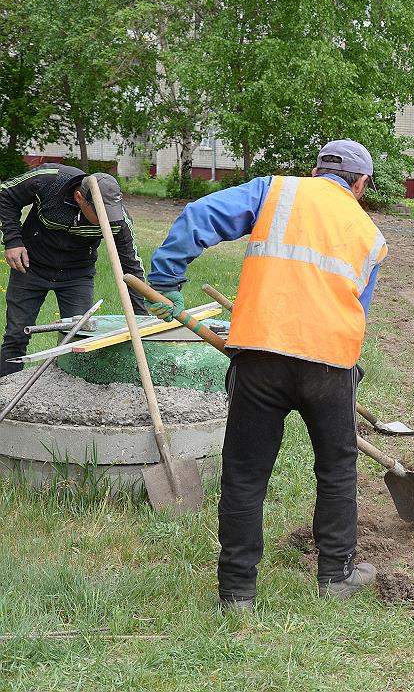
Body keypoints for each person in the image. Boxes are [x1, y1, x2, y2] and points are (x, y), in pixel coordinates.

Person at [145, 140, 387, 612]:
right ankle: (337, 576)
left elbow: (199, 216)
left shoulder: (275, 191)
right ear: (360, 184)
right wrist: (346, 371)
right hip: (330, 362)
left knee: (245, 474)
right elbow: (358, 308)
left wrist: (165, 281)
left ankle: (237, 593)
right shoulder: (370, 234)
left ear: (317, 172)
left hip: (259, 355)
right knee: (337, 470)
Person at [0, 165, 145, 375]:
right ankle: (6, 394)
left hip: (77, 275)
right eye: (99, 212)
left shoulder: (118, 220)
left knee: (78, 338)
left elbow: (131, 266)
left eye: (110, 211)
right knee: (16, 335)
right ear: (79, 197)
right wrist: (13, 241)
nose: (106, 218)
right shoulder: (48, 181)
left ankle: (71, 397)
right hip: (30, 267)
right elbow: (5, 193)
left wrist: (141, 319)